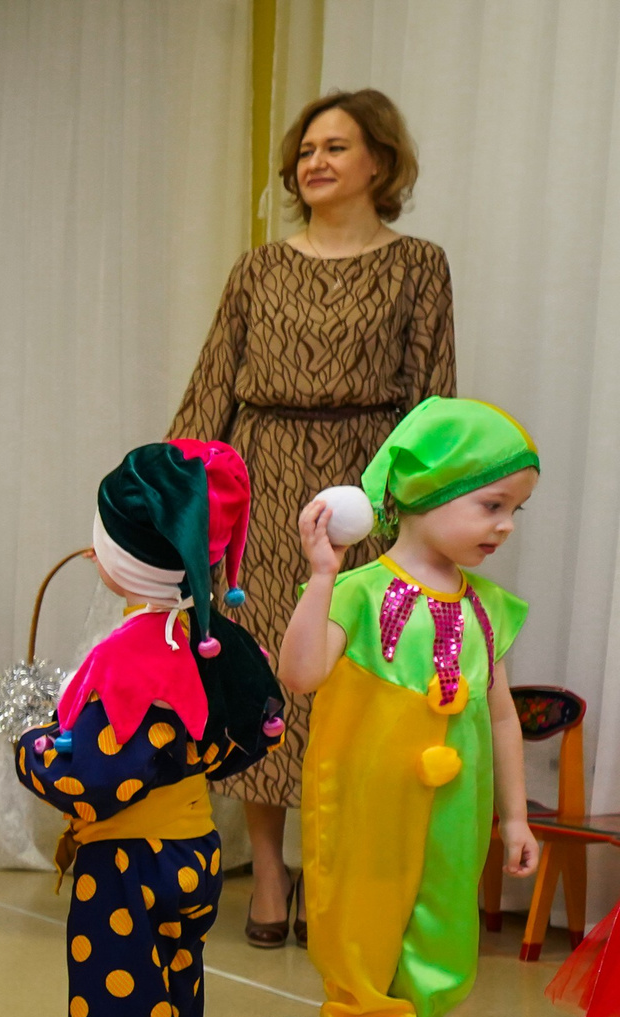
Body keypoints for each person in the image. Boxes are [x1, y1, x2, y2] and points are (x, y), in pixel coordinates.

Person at [170, 88, 455, 948]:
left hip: (369, 484)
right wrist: (179, 503)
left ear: (380, 162)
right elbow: (211, 385)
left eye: (337, 146)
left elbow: (432, 394)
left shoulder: (419, 265)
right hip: (262, 480)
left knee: (352, 679)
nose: (316, 162)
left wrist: (419, 510)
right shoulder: (257, 268)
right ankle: (266, 871)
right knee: (263, 669)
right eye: (306, 150)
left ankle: (336, 871)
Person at [15, 442, 286, 1017]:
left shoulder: (140, 654)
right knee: (172, 1000)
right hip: (190, 851)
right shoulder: (210, 640)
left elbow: (91, 778)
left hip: (129, 864)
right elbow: (253, 730)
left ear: (123, 556)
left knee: (118, 1014)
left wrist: (32, 743)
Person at [282, 398, 539, 1017]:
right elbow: (300, 675)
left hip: (451, 817)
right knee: (364, 935)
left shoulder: (486, 609)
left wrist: (516, 816)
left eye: (516, 510)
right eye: (490, 504)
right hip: (366, 809)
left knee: (437, 942)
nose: (503, 526)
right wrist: (321, 576)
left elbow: (500, 717)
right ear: (424, 491)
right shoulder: (359, 591)